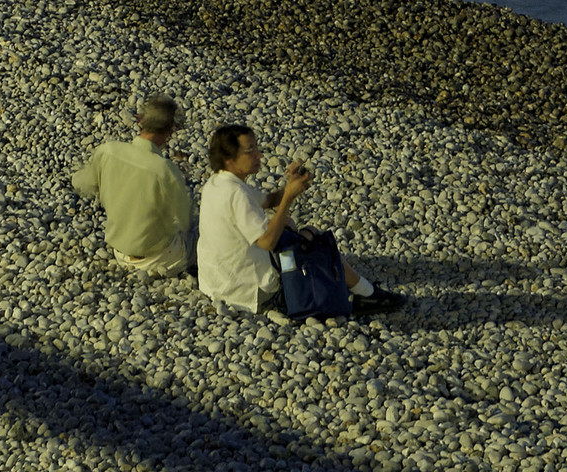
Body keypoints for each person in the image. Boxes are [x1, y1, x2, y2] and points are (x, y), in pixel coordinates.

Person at [196, 123, 402, 316]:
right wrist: (288, 198)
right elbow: (267, 242)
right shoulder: (237, 194)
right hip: (250, 293)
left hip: (216, 282)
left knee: (290, 226)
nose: (258, 155)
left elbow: (267, 201)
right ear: (229, 159)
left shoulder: (217, 183)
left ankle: (357, 286)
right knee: (316, 242)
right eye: (250, 151)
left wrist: (292, 184)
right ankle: (368, 294)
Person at [72, 94, 195, 276]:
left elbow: (82, 184)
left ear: (140, 120)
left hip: (120, 253)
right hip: (159, 258)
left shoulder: (108, 151)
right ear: (170, 131)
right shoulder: (164, 170)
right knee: (201, 230)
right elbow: (185, 219)